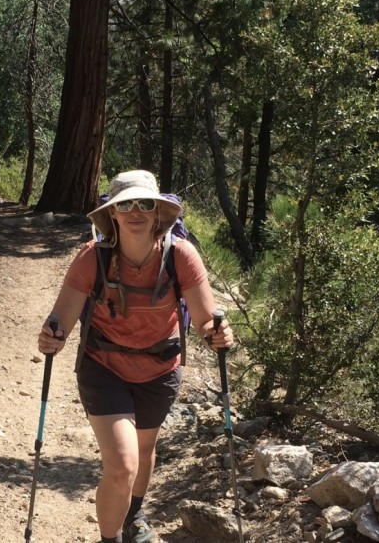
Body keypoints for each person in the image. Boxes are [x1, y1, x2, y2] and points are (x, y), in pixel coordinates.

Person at [37, 170, 234, 543]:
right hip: (104, 368)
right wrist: (51, 338)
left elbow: (206, 322)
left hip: (160, 370)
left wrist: (219, 334)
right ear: (112, 213)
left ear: (158, 211)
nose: (136, 212)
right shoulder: (91, 260)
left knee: (144, 449)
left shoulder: (181, 257)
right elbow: (59, 321)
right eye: (125, 204)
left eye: (145, 203)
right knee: (123, 463)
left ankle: (135, 514)